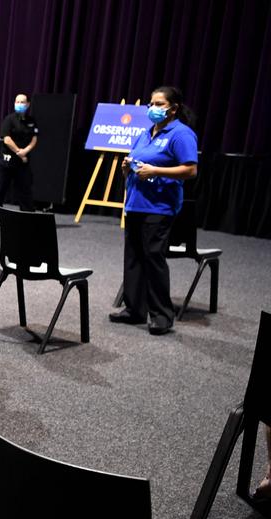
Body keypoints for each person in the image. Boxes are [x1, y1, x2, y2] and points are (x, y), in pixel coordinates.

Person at [110, 85, 198, 335]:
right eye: (152, 103)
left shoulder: (181, 134)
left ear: (173, 108)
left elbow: (190, 170)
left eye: (159, 104)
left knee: (153, 258)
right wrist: (128, 166)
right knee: (134, 257)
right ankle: (134, 309)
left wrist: (156, 170)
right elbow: (137, 160)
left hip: (159, 207)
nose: (153, 108)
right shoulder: (146, 133)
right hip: (135, 204)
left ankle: (161, 315)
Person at [0, 93, 38, 222]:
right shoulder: (9, 119)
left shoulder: (31, 121)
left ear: (27, 104)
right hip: (8, 161)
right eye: (17, 102)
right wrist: (18, 152)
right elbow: (6, 139)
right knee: (2, 188)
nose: (20, 104)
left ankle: (28, 215)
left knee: (25, 188)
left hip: (23, 161)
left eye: (22, 102)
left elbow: (34, 139)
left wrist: (25, 151)